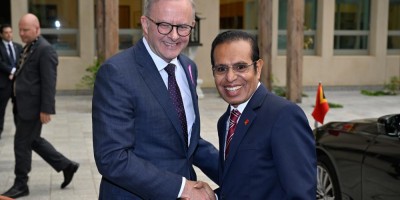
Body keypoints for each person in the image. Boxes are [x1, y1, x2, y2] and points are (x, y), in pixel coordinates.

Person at [92, 0, 219, 199]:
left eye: (183, 27)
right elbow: (112, 158)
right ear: (145, 24)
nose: (174, 35)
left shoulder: (188, 67)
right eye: (164, 25)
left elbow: (186, 141)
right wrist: (182, 187)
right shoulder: (117, 73)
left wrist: (236, 174)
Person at [210, 30, 316, 199]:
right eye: (221, 69)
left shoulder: (284, 115)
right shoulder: (225, 122)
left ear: (258, 68)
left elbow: (300, 194)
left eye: (240, 67)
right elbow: (239, 184)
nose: (230, 77)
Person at [1, 14, 79, 199]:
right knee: (33, 140)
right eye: (20, 29)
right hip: (22, 105)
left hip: (33, 108)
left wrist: (46, 109)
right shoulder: (29, 46)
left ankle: (21, 184)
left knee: (21, 144)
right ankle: (67, 165)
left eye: (25, 30)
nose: (21, 33)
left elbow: (49, 82)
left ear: (37, 29)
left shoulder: (45, 50)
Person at [0, 24, 22, 139]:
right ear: (1, 34)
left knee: (18, 109)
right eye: (6, 32)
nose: (9, 34)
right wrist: (12, 70)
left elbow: (22, 62)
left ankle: (19, 132)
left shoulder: (18, 47)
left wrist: (15, 72)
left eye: (10, 32)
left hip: (17, 84)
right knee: (1, 110)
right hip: (3, 85)